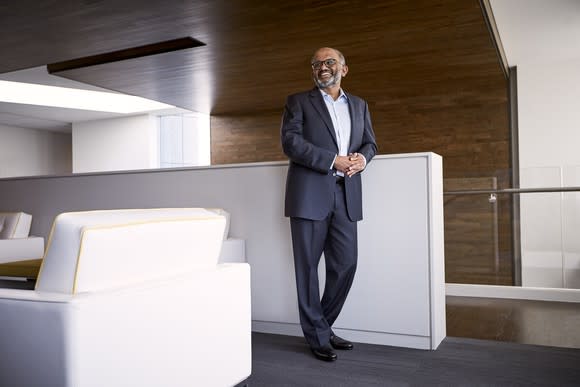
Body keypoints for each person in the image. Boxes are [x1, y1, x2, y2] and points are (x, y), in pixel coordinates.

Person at [280, 47, 378, 362]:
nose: (323, 67)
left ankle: (321, 327)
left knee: (346, 264)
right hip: (309, 194)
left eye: (329, 62)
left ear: (344, 69)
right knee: (307, 269)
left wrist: (363, 158)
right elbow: (290, 142)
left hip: (346, 194)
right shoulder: (298, 102)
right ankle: (318, 336)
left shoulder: (360, 105)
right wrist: (330, 160)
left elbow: (370, 143)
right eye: (317, 64)